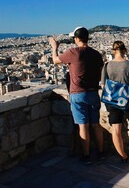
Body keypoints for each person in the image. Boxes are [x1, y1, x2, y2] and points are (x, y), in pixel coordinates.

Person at [49, 26, 104, 164]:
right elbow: (100, 73)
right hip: (93, 92)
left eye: (74, 37)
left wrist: (54, 47)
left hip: (78, 94)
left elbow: (55, 61)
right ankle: (101, 152)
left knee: (83, 125)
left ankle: (86, 155)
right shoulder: (96, 54)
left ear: (77, 38)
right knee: (96, 124)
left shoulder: (73, 52)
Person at [101, 41, 129, 164]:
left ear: (113, 51)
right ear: (124, 50)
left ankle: (123, 156)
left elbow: (103, 84)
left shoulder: (107, 65)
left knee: (116, 129)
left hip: (112, 100)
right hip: (127, 99)